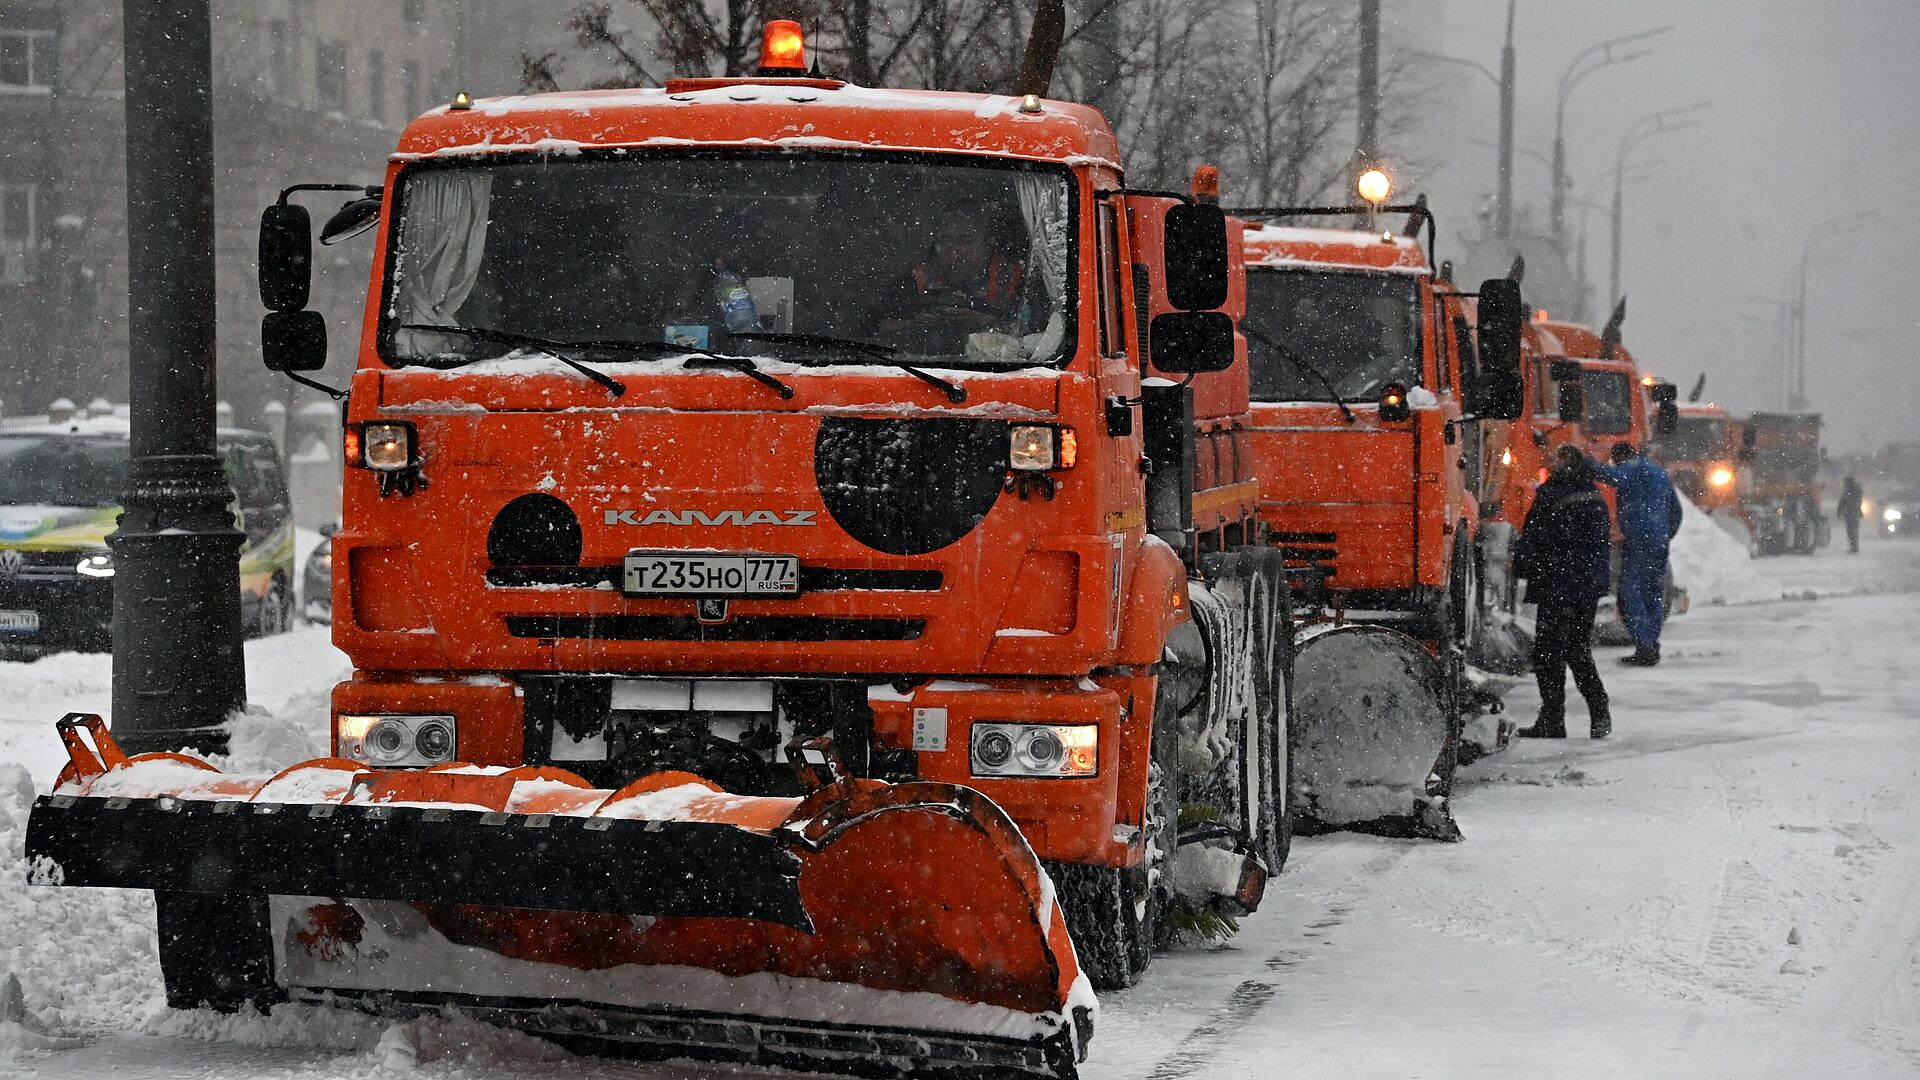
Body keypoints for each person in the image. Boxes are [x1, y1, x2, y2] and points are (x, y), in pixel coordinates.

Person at [1513, 444, 1614, 739]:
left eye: (1556, 457)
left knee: (1548, 653)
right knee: (1578, 649)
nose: (1550, 460)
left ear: (1566, 462)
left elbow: (1537, 535)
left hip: (1558, 584)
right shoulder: (1593, 493)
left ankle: (1553, 719)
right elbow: (1598, 543)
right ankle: (1599, 713)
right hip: (1585, 586)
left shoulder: (1554, 492)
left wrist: (1524, 565)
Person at [871, 200, 1025, 352]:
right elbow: (870, 329)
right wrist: (914, 324)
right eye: (945, 241)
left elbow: (1036, 339)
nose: (954, 253)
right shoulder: (916, 280)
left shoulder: (1015, 281)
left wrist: (986, 324)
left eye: (966, 241)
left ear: (988, 245)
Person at [1590, 441, 1684, 667]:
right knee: (1653, 592)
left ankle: (1644, 646)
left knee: (1631, 592)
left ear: (1620, 458)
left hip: (1639, 539)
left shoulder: (1632, 469)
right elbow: (1676, 511)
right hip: (1658, 541)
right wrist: (1665, 534)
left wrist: (1585, 461)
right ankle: (1652, 642)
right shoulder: (1659, 473)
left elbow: (1610, 476)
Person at [1838, 475, 1864, 553]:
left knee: (1851, 530)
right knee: (1853, 530)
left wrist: (1840, 511)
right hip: (1853, 512)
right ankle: (1854, 546)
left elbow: (1842, 502)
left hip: (1851, 512)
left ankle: (1854, 547)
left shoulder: (1850, 491)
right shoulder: (1855, 490)